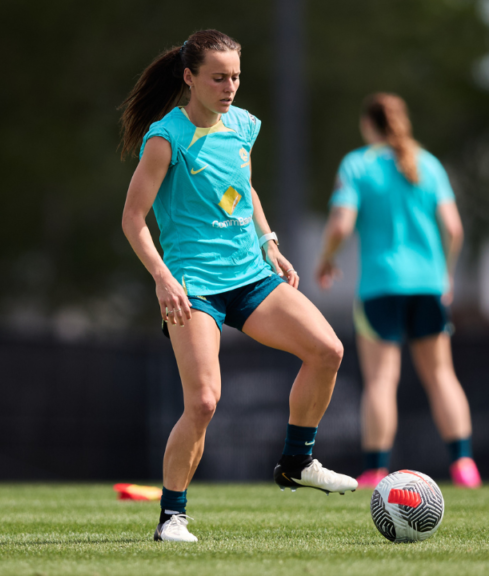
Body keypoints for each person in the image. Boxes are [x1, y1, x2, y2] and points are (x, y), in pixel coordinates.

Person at [119, 30, 357, 543]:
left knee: (328, 350)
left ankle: (298, 461)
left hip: (250, 275)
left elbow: (243, 185)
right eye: (218, 77)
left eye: (236, 77)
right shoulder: (166, 138)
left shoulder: (243, 126)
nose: (230, 87)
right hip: (192, 286)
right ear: (190, 78)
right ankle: (172, 519)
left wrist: (269, 241)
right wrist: (162, 279)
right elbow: (133, 219)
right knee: (204, 401)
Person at [316, 93, 481, 490]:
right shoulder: (429, 164)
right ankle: (464, 466)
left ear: (367, 124)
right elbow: (454, 229)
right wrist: (447, 275)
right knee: (442, 375)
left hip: (381, 286)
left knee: (381, 381)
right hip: (428, 285)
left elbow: (340, 225)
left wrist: (326, 259)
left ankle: (375, 469)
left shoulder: (357, 164)